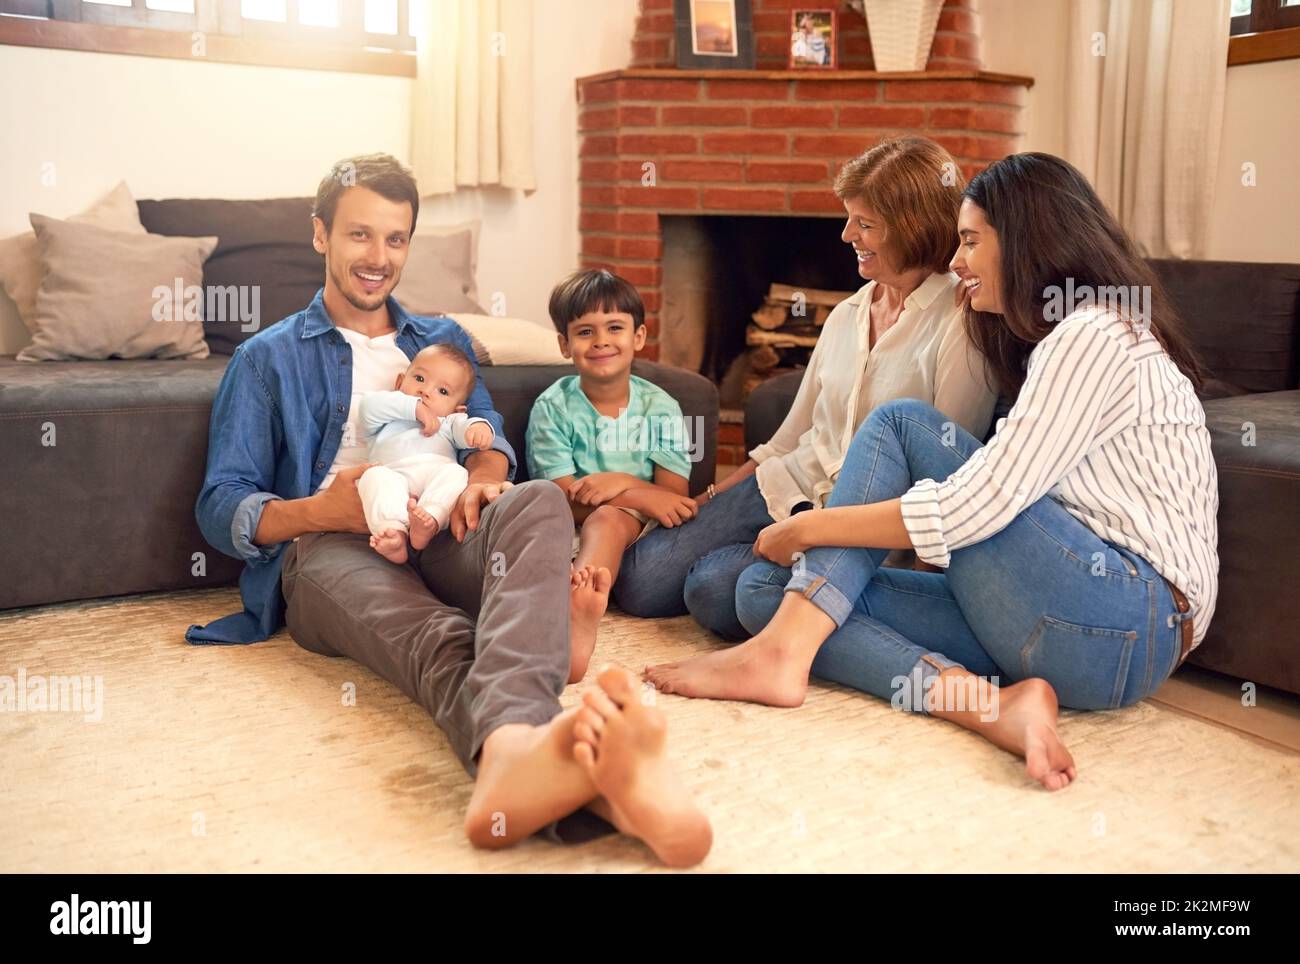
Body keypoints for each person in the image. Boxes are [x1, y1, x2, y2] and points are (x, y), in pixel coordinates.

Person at [189, 153, 711, 865]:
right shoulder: (266, 358)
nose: (378, 258)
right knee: (433, 630)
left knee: (534, 503)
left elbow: (490, 437)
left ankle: (544, 767)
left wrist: (484, 478)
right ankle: (555, 766)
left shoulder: (442, 343)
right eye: (359, 236)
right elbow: (221, 506)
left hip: (444, 518)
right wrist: (319, 512)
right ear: (320, 235)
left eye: (395, 239)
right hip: (333, 544)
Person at [645, 153, 1219, 793]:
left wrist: (811, 531)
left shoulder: (1096, 333)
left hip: (1122, 614)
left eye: (972, 240)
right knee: (761, 590)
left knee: (902, 424)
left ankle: (782, 654)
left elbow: (976, 504)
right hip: (1059, 628)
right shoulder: (1051, 338)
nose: (957, 259)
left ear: (1029, 237)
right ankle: (990, 707)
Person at [613, 136, 996, 640]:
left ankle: (770, 579)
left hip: (857, 524)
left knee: (711, 590)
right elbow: (789, 438)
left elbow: (945, 476)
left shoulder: (959, 324)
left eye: (865, 223)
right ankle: (758, 565)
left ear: (911, 227)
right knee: (640, 581)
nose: (846, 234)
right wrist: (709, 503)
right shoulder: (847, 313)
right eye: (849, 217)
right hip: (787, 484)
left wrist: (920, 590)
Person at [527, 269, 696, 683]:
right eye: (585, 331)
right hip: (571, 522)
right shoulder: (553, 406)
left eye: (615, 327)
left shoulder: (662, 407)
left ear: (638, 337)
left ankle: (579, 607)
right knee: (576, 524)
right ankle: (576, 600)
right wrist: (640, 494)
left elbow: (673, 500)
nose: (601, 341)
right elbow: (560, 498)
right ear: (565, 345)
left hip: (644, 532)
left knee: (608, 517)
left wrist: (619, 483)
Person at [355, 343, 495, 564]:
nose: (426, 392)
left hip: (434, 476)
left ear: (457, 409)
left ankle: (430, 518)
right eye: (419, 379)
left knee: (456, 473)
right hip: (394, 476)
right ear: (399, 383)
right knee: (373, 478)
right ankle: (393, 533)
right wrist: (414, 408)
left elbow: (463, 429)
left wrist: (478, 428)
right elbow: (369, 406)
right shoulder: (386, 417)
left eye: (443, 391)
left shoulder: (449, 421)